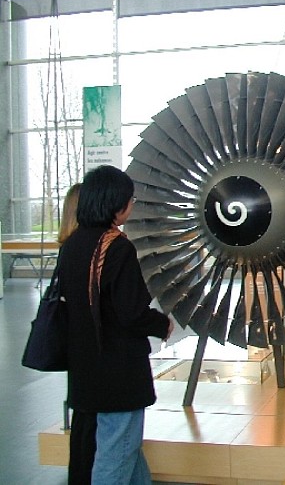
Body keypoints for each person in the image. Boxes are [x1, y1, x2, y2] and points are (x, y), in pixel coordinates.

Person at [59, 165, 174, 484]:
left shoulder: (73, 244)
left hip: (86, 368)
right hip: (117, 373)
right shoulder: (117, 247)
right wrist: (162, 324)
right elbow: (131, 313)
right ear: (116, 203)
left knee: (126, 448)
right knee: (117, 451)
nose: (131, 205)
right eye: (130, 199)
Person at [56, 182, 97, 485]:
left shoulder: (68, 249)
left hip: (77, 352)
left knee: (83, 425)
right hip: (93, 353)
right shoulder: (87, 251)